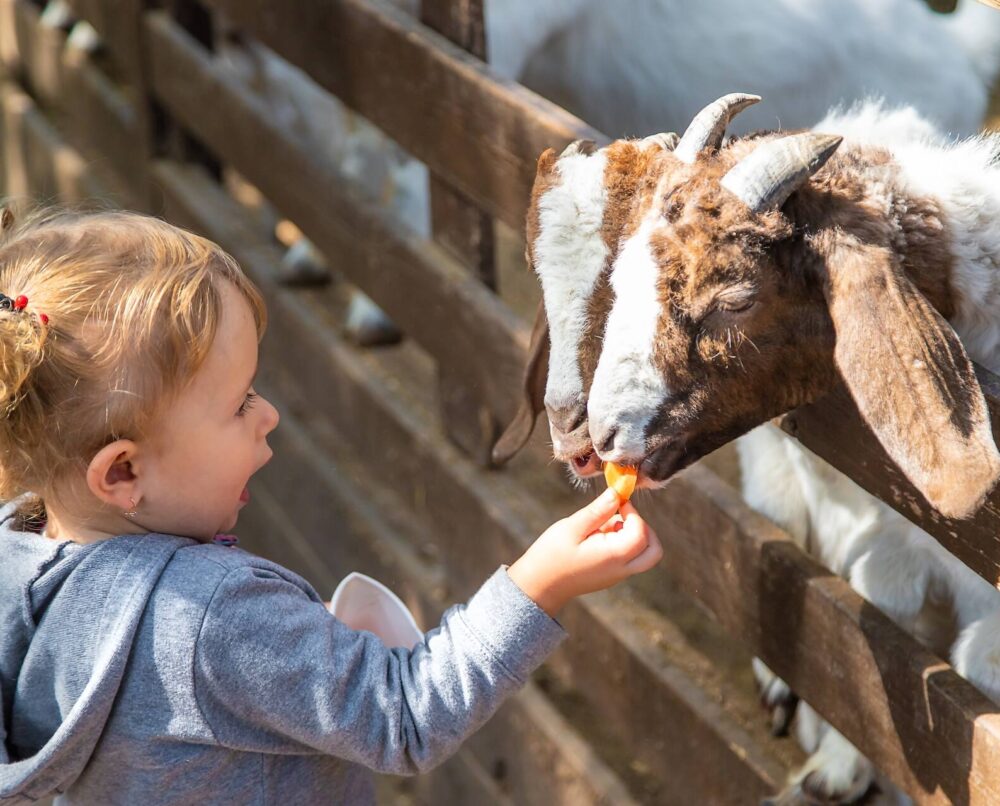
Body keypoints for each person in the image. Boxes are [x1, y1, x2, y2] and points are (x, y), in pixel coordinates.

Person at [0, 208, 662, 804]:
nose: (268, 414)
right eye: (239, 403)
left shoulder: (21, 560)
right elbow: (407, 715)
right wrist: (541, 583)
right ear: (122, 471)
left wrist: (291, 640)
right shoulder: (216, 617)